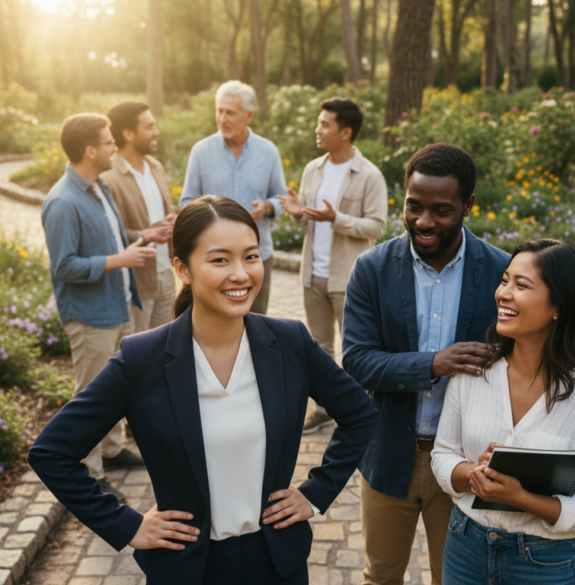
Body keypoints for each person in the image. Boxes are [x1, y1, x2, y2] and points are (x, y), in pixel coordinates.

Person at [29, 195, 379, 585]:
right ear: (183, 269)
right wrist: (125, 524)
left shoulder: (291, 342)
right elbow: (52, 452)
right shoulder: (141, 359)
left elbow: (360, 414)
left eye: (250, 256)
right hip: (187, 568)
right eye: (219, 260)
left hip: (277, 563)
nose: (241, 274)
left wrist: (315, 493)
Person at [341, 143, 575, 585]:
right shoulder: (372, 268)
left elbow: (542, 323)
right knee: (380, 575)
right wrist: (433, 363)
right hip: (389, 451)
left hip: (472, 458)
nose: (424, 221)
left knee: (447, 576)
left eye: (442, 209)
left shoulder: (498, 269)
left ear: (469, 205)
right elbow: (356, 361)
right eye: (413, 207)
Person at [431, 239, 575, 585]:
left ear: (560, 306)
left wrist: (520, 498)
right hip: (465, 546)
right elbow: (443, 454)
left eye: (521, 285)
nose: (503, 293)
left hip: (543, 562)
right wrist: (475, 473)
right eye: (504, 280)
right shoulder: (474, 371)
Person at [40, 113, 154, 503]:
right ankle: (89, 472)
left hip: (118, 306)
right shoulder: (62, 202)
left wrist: (145, 237)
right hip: (90, 316)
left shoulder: (98, 187)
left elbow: (113, 241)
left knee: (116, 389)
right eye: (108, 143)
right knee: (90, 396)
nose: (113, 148)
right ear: (90, 150)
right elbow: (64, 266)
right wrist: (119, 261)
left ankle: (111, 449)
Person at [277, 98, 388, 434]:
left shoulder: (369, 175)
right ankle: (324, 408)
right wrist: (299, 212)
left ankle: (358, 412)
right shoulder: (314, 169)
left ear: (346, 132)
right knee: (320, 347)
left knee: (355, 349)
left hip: (349, 277)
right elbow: (308, 221)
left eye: (325, 124)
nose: (317, 129)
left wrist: (335, 219)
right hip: (312, 274)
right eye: (318, 122)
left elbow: (377, 227)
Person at [179, 81, 288, 315]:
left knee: (256, 324)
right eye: (219, 111)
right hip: (212, 257)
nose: (223, 118)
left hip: (256, 255)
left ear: (248, 115)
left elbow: (281, 196)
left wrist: (269, 206)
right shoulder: (201, 151)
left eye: (230, 113)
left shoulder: (268, 151)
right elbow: (186, 201)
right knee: (209, 321)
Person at [103, 100, 177, 332]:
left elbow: (165, 214)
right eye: (149, 127)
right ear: (128, 134)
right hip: (137, 284)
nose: (156, 132)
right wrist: (144, 234)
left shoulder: (155, 166)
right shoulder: (108, 178)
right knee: (137, 354)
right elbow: (108, 236)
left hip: (166, 274)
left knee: (167, 349)